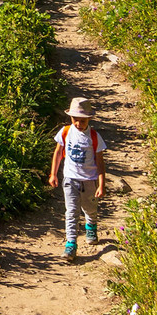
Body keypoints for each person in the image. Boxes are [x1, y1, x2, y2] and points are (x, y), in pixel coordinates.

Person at [49, 96, 107, 261]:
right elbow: (58, 153)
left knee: (90, 208)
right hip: (70, 179)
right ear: (70, 117)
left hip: (89, 180)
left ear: (89, 119)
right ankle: (71, 245)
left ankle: (91, 225)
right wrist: (53, 174)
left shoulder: (94, 137)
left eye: (83, 120)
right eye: (75, 119)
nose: (78, 124)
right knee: (72, 211)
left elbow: (100, 162)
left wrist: (101, 184)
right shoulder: (65, 132)